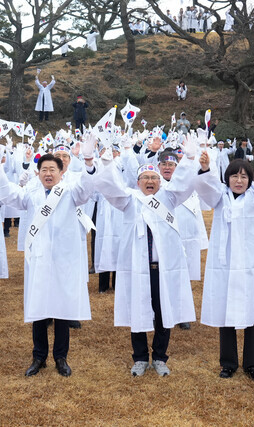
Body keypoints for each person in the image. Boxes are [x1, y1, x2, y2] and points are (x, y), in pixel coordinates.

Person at [88, 137, 201, 377]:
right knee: (137, 309)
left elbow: (185, 182)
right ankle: (139, 357)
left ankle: (160, 357)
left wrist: (190, 160)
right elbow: (111, 188)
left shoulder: (169, 198)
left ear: (160, 182)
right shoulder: (130, 200)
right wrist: (106, 165)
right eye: (145, 178)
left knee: (164, 311)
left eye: (154, 178)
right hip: (137, 266)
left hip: (163, 267)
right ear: (138, 182)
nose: (150, 182)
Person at [0, 147, 95, 377]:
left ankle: (61, 357)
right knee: (38, 308)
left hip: (64, 260)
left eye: (52, 169)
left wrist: (88, 160)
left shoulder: (70, 193)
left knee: (63, 311)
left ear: (61, 172)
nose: (48, 173)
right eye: (44, 169)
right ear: (38, 173)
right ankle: (39, 357)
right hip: (39, 260)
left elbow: (86, 190)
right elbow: (8, 194)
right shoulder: (32, 195)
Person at [194, 141, 254, 381]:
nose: (238, 180)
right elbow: (206, 187)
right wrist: (205, 168)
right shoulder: (220, 197)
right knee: (225, 311)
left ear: (250, 179)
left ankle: (252, 364)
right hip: (225, 264)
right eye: (234, 176)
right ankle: (228, 362)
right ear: (227, 179)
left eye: (243, 176)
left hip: (250, 263)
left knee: (252, 311)